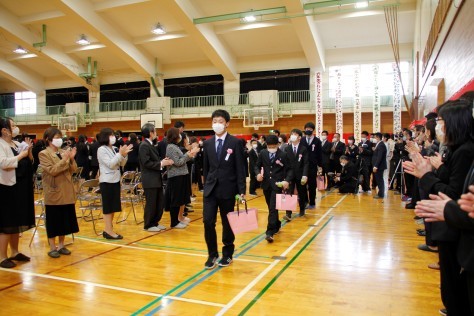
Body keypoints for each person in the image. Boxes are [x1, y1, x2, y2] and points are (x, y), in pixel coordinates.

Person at [404, 99, 474, 316]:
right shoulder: (457, 149)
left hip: (455, 223)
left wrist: (426, 175)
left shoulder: (465, 150)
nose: (437, 127)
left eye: (441, 121)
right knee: (452, 282)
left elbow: (451, 193)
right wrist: (431, 168)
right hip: (451, 220)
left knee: (454, 282)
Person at [202, 109, 246, 270]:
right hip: (211, 189)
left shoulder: (235, 143)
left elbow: (241, 168)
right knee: (208, 221)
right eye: (214, 121)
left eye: (220, 121)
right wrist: (205, 185)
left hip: (228, 188)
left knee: (227, 223)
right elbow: (206, 169)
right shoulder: (207, 144)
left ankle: (227, 254)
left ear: (227, 123)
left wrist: (242, 190)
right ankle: (212, 254)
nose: (217, 124)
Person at [39, 127, 80, 258]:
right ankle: (52, 247)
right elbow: (52, 170)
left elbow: (74, 169)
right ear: (48, 139)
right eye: (56, 137)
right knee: (54, 220)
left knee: (64, 220)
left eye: (60, 137)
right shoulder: (44, 154)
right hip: (54, 191)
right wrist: (64, 160)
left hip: (67, 191)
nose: (59, 140)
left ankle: (62, 245)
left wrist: (72, 159)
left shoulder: (63, 152)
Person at [0, 117, 34, 269]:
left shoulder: (16, 143)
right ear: (4, 130)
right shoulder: (0, 144)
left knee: (16, 221)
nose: (15, 128)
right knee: (6, 223)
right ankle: (2, 256)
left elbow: (29, 161)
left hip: (20, 186)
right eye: (12, 126)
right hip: (6, 187)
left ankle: (14, 252)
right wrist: (21, 155)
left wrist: (29, 152)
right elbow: (4, 163)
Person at [97, 128, 133, 239]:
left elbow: (122, 163)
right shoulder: (101, 149)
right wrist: (119, 155)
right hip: (106, 181)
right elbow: (111, 164)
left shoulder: (114, 148)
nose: (114, 137)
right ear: (105, 137)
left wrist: (123, 155)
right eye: (111, 135)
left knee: (113, 207)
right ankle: (108, 230)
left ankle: (108, 229)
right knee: (108, 208)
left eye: (114, 135)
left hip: (115, 180)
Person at [256, 135, 293, 242]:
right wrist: (258, 174)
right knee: (271, 208)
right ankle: (276, 223)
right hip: (266, 184)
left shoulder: (283, 154)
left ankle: (269, 232)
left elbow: (290, 169)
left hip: (278, 185)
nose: (271, 147)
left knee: (272, 208)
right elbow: (257, 166)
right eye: (269, 146)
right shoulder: (263, 153)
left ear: (278, 144)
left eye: (273, 145)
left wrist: (287, 180)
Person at [139, 123, 173, 232]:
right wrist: (161, 164)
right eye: (155, 131)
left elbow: (154, 160)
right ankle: (148, 224)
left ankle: (155, 222)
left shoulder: (151, 144)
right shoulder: (144, 145)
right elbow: (146, 163)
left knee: (159, 202)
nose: (156, 133)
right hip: (149, 179)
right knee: (151, 202)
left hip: (155, 178)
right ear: (150, 133)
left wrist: (162, 161)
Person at [165, 128, 199, 228]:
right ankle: (174, 222)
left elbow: (180, 160)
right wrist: (188, 155)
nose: (181, 136)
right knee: (176, 199)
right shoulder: (171, 147)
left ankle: (178, 219)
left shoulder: (175, 146)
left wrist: (189, 154)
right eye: (179, 134)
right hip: (176, 176)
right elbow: (178, 162)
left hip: (181, 175)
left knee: (180, 199)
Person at [284, 129, 308, 220]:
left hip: (300, 175)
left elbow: (306, 163)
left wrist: (305, 175)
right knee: (289, 193)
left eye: (295, 134)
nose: (293, 135)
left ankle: (302, 210)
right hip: (289, 176)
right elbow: (285, 163)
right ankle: (288, 213)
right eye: (292, 134)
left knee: (301, 193)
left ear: (299, 137)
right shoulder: (287, 148)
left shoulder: (303, 149)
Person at [301, 122, 322, 209]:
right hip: (302, 166)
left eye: (310, 129)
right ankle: (305, 201)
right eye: (307, 129)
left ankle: (312, 202)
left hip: (313, 166)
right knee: (303, 184)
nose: (308, 130)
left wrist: (320, 166)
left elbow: (319, 154)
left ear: (313, 130)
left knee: (312, 185)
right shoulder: (302, 140)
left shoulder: (317, 141)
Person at [372, 133, 387, 199]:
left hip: (379, 166)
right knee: (378, 180)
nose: (374, 139)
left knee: (380, 180)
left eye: (375, 137)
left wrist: (376, 166)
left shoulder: (381, 145)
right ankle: (380, 193)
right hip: (378, 165)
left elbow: (379, 157)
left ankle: (381, 194)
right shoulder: (378, 144)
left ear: (378, 137)